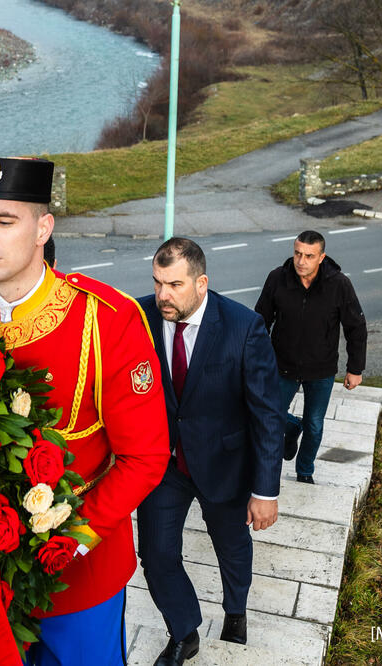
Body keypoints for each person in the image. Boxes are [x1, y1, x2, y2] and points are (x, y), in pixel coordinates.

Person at [0, 156, 170, 666]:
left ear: (44, 227)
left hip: (79, 574)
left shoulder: (107, 320)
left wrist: (71, 541)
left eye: (4, 221)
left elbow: (145, 457)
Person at [135, 237, 286, 666]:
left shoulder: (243, 326)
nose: (163, 295)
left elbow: (267, 414)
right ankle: (184, 630)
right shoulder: (139, 316)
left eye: (175, 285)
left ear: (202, 283)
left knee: (231, 545)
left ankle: (235, 611)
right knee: (157, 554)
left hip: (225, 463)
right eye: (158, 282)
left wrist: (266, 491)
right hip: (163, 464)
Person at [253, 229, 367, 484]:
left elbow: (356, 327)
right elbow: (260, 321)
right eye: (297, 253)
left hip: (321, 369)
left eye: (308, 255)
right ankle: (291, 427)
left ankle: (305, 470)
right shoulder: (277, 279)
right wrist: (256, 361)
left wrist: (355, 368)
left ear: (321, 257)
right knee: (268, 415)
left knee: (314, 425)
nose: (301, 261)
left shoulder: (339, 284)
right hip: (282, 365)